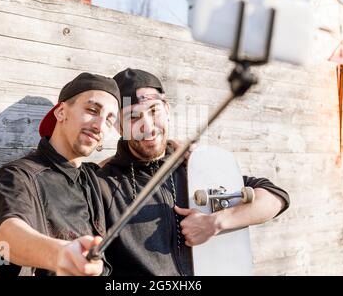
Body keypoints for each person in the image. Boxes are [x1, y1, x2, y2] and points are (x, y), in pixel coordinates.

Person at [96, 68, 290, 276]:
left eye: (154, 110)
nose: (148, 126)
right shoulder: (102, 183)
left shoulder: (196, 167)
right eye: (133, 116)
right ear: (118, 126)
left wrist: (215, 223)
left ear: (167, 110)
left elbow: (276, 198)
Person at [0, 72, 120, 276]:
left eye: (109, 121)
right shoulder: (20, 174)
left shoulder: (94, 177)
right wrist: (61, 254)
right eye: (92, 110)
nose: (100, 126)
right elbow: (7, 237)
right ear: (61, 112)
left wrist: (172, 150)